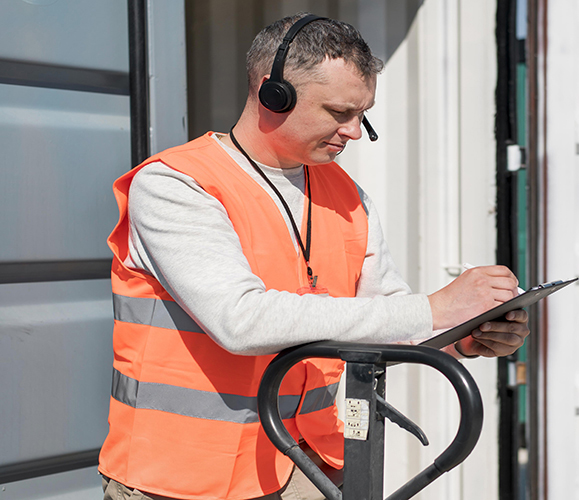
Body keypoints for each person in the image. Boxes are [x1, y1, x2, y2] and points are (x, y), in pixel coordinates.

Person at [98, 13, 529, 500]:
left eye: (362, 113)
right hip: (181, 477)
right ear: (272, 94)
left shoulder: (347, 195)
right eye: (339, 112)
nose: (355, 131)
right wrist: (434, 306)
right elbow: (241, 321)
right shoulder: (177, 185)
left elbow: (386, 316)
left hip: (309, 469)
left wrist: (464, 337)